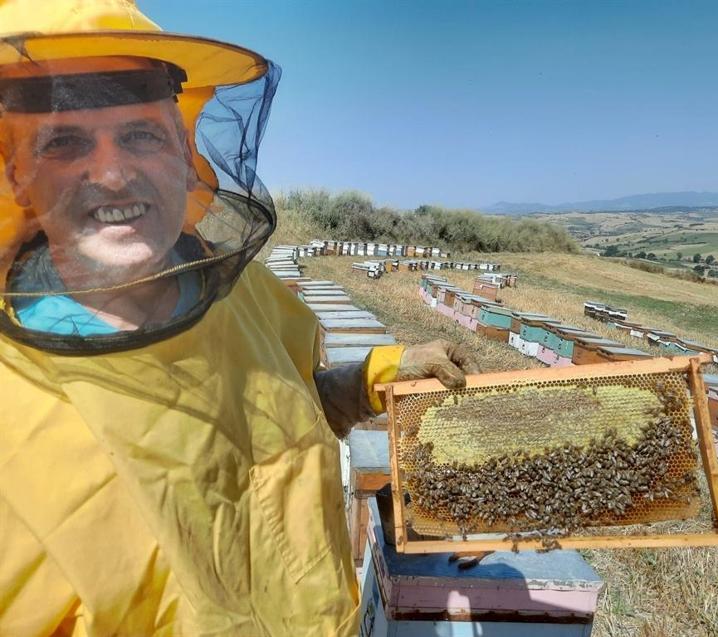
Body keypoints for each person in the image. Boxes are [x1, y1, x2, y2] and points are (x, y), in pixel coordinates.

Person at [0, 1, 479, 635]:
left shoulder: (254, 297)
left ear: (184, 154)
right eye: (65, 141)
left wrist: (368, 380)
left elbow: (283, 414)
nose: (114, 174)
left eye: (142, 134)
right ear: (16, 175)